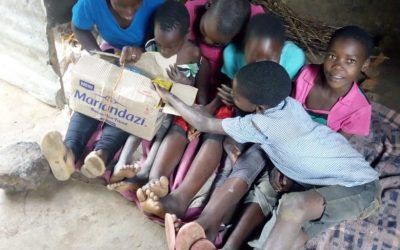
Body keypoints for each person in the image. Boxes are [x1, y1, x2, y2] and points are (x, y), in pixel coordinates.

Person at [157, 61, 380, 250]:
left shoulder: (261, 123)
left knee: (293, 207)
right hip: (321, 179)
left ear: (259, 105)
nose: (233, 95)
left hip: (358, 186)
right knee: (288, 232)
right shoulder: (289, 105)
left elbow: (203, 123)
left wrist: (169, 96)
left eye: (236, 94)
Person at [131, 0, 264, 219]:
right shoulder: (189, 10)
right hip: (189, 84)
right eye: (203, 31)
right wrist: (194, 104)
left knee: (216, 134)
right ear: (209, 6)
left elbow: (232, 86)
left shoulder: (250, 31)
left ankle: (179, 199)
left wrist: (209, 111)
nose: (207, 41)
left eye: (218, 42)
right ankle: (155, 180)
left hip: (226, 94)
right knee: (180, 122)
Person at [40, 0, 164, 181]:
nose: (129, 12)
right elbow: (79, 27)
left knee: (127, 107)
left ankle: (101, 155)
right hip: (108, 53)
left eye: (135, 6)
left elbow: (165, 35)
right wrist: (97, 54)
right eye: (122, 6)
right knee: (91, 98)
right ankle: (69, 152)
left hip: (144, 59)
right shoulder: (91, 3)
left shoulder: (157, 2)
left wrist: (143, 49)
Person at [106, 1, 207, 195]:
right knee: (138, 124)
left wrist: (184, 81)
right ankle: (121, 163)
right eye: (160, 44)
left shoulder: (193, 53)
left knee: (161, 131)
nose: (164, 51)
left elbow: (192, 90)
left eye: (170, 47)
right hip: (151, 100)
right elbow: (147, 66)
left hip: (173, 106)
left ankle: (145, 170)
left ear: (186, 35)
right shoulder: (152, 45)